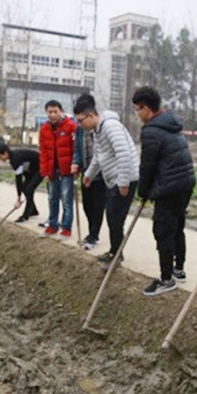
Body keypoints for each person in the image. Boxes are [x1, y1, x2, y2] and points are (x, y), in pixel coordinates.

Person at [133, 87, 196, 297]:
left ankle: (166, 278)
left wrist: (143, 191)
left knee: (163, 231)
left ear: (146, 108)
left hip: (169, 188)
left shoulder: (152, 130)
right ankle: (179, 269)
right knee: (177, 227)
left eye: (137, 110)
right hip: (185, 183)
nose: (137, 115)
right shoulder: (170, 123)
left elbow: (147, 165)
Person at [74, 97, 139, 271]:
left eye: (81, 121)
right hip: (114, 179)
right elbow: (98, 156)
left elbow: (123, 153)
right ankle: (114, 252)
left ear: (90, 115)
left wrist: (124, 182)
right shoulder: (98, 131)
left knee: (115, 218)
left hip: (125, 179)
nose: (80, 125)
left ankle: (116, 257)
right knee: (112, 217)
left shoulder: (110, 127)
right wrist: (89, 174)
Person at [71, 94, 107, 251]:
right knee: (87, 205)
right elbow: (77, 150)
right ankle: (92, 233)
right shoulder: (79, 130)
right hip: (86, 172)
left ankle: (93, 235)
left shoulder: (100, 128)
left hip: (101, 175)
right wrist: (75, 163)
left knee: (97, 206)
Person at [38, 100, 76, 239]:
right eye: (50, 112)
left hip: (67, 170)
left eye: (55, 111)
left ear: (61, 111)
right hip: (51, 170)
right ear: (46, 113)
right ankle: (52, 225)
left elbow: (75, 149)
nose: (53, 114)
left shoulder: (71, 126)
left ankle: (66, 228)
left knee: (67, 199)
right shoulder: (44, 129)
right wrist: (44, 172)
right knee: (52, 198)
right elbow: (43, 152)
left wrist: (76, 167)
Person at [0, 142, 41, 223]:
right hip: (32, 170)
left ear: (4, 153)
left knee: (29, 190)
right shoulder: (13, 158)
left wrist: (18, 198)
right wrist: (20, 193)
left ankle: (25, 216)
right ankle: (33, 210)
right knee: (25, 187)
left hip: (41, 168)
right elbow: (21, 176)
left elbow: (18, 179)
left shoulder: (15, 158)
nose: (0, 159)